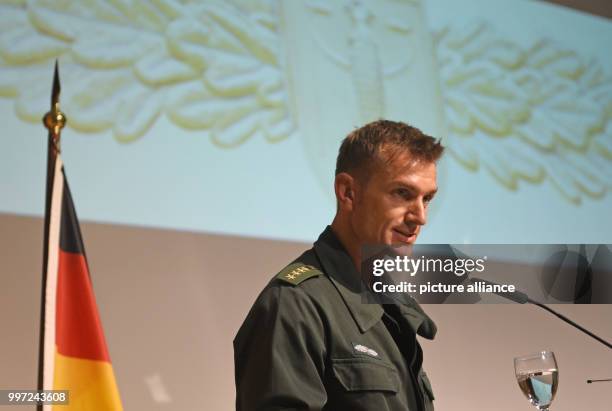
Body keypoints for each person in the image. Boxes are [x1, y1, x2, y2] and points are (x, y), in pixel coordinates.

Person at [234, 119, 444, 410]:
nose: (419, 216)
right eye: (402, 193)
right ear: (348, 192)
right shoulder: (295, 305)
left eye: (427, 198)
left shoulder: (393, 307)